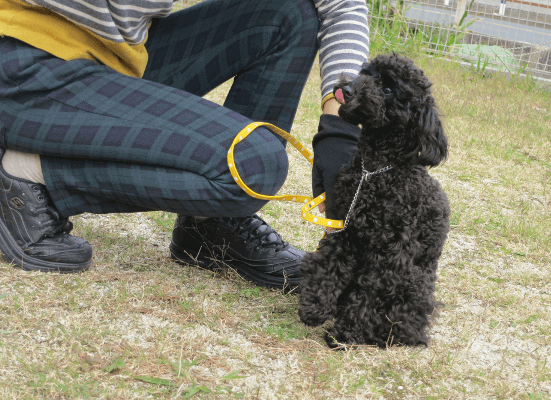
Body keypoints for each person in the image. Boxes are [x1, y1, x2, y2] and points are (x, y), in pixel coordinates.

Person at [0, 0, 369, 289]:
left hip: (117, 57)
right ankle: (27, 174)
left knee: (287, 15)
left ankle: (211, 226)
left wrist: (341, 126)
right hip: (24, 57)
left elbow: (340, 4)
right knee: (252, 166)